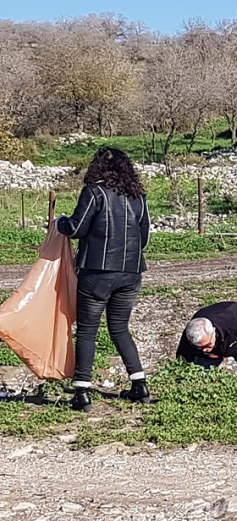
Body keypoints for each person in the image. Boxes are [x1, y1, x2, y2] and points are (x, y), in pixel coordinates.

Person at [56, 147, 151, 412]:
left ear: (97, 167)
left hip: (97, 272)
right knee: (119, 328)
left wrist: (59, 222)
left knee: (88, 330)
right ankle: (140, 384)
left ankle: (82, 392)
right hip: (131, 272)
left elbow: (76, 228)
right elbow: (144, 238)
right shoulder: (138, 196)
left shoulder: (94, 192)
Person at [176, 301, 237, 370]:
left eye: (208, 345)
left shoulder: (234, 319)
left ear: (213, 332)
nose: (205, 349)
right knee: (202, 380)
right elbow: (182, 360)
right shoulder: (190, 337)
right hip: (211, 356)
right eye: (200, 347)